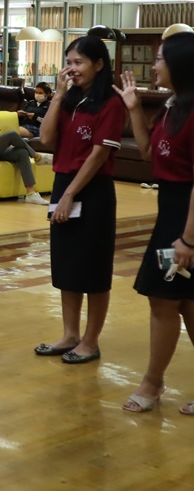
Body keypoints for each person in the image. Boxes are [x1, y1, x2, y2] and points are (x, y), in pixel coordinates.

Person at [34, 36, 125, 364]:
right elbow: (46, 138)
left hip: (93, 189)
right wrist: (58, 95)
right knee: (67, 264)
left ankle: (90, 341)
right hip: (63, 184)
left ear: (99, 64)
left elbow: (99, 155)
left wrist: (70, 194)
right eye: (69, 62)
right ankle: (70, 334)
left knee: (94, 268)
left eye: (79, 62)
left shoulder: (111, 103)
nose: (72, 69)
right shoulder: (69, 99)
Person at [115, 33, 194, 411]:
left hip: (186, 218)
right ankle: (154, 382)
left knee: (164, 299)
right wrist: (133, 107)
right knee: (184, 302)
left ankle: (152, 382)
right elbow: (148, 152)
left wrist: (188, 240)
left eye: (160, 58)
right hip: (171, 213)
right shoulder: (171, 107)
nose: (154, 65)